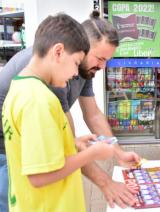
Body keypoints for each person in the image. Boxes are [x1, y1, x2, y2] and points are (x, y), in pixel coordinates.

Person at [0, 11, 140, 211]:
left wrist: (117, 152)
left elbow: (93, 115)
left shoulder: (66, 68)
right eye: (99, 58)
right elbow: (42, 173)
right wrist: (104, 180)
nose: (102, 66)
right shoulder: (43, 87)